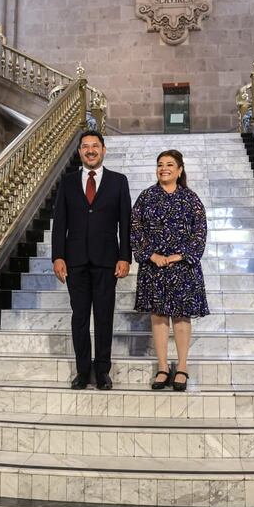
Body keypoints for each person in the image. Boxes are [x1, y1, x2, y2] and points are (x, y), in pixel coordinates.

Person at [51, 131, 132, 390]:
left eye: (95, 146)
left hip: (107, 260)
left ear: (104, 150)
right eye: (85, 147)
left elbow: (126, 223)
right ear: (79, 153)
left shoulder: (119, 181)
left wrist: (125, 257)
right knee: (80, 318)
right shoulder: (68, 182)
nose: (90, 150)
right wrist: (58, 256)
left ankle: (103, 371)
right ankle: (83, 372)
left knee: (104, 317)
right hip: (75, 261)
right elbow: (59, 223)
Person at [130, 149, 209, 392]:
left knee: (182, 317)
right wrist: (151, 255)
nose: (164, 168)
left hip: (182, 268)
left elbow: (200, 232)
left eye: (170, 164)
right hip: (154, 268)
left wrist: (180, 256)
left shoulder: (191, 199)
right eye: (160, 164)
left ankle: (182, 367)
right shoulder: (146, 197)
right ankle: (163, 367)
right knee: (159, 316)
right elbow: (135, 229)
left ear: (179, 170)